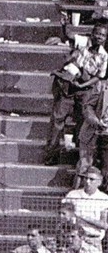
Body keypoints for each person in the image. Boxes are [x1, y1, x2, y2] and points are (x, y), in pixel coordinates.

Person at [43, 18, 108, 164]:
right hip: (69, 85)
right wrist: (65, 24)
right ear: (92, 34)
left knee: (83, 123)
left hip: (85, 89)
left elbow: (99, 76)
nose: (99, 37)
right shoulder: (84, 42)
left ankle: (79, 158)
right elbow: (69, 35)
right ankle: (51, 155)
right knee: (58, 120)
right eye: (97, 33)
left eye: (102, 35)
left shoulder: (104, 55)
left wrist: (83, 85)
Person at [62, 164, 108, 245]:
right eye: (85, 178)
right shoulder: (72, 195)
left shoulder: (104, 198)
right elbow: (64, 216)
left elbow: (104, 225)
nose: (87, 181)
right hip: (74, 239)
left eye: (91, 179)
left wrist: (81, 216)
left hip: (94, 239)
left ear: (99, 182)